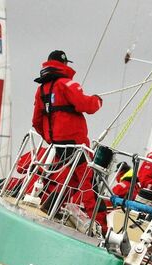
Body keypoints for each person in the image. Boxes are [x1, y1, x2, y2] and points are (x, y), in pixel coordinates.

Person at [31, 50, 103, 218]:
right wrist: (98, 100)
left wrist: (51, 138)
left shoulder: (41, 90)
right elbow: (87, 105)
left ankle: (51, 206)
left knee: (73, 180)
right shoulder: (66, 84)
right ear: (64, 65)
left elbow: (36, 121)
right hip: (75, 144)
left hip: (58, 145)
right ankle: (100, 224)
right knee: (89, 182)